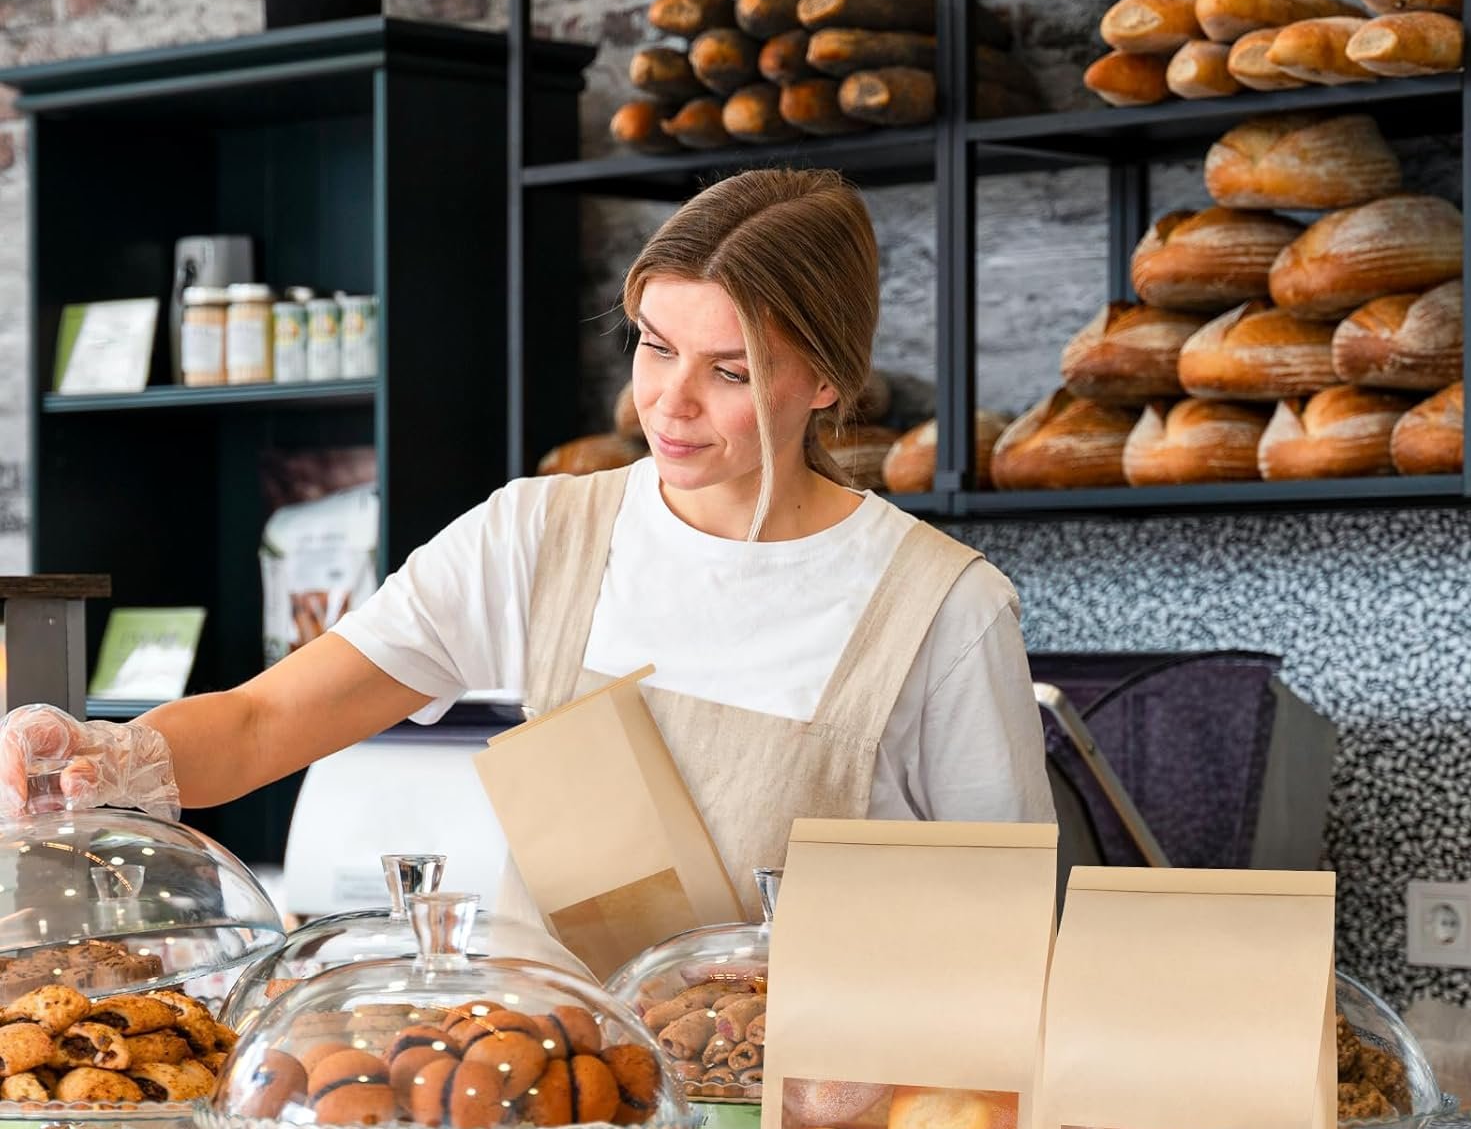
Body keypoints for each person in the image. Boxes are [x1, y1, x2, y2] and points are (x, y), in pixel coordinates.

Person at [0, 168, 1053, 937]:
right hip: (555, 1124)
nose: (669, 404)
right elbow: (269, 718)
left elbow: (1002, 926)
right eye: (653, 345)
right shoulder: (541, 536)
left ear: (825, 380)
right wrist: (104, 755)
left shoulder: (943, 610)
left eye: (730, 370)